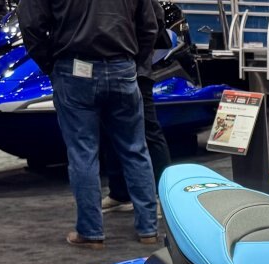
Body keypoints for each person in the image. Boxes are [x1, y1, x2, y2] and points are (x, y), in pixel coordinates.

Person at [20, 0, 160, 248]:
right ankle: (148, 229)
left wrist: (50, 64)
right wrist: (135, 63)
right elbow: (149, 26)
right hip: (122, 67)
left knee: (83, 153)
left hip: (74, 70)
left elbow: (31, 24)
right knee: (135, 151)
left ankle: (90, 232)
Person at [101, 2, 173, 213]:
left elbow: (153, 24)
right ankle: (119, 192)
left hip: (135, 69)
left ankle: (165, 194)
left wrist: (137, 61)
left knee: (149, 130)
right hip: (112, 68)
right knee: (108, 130)